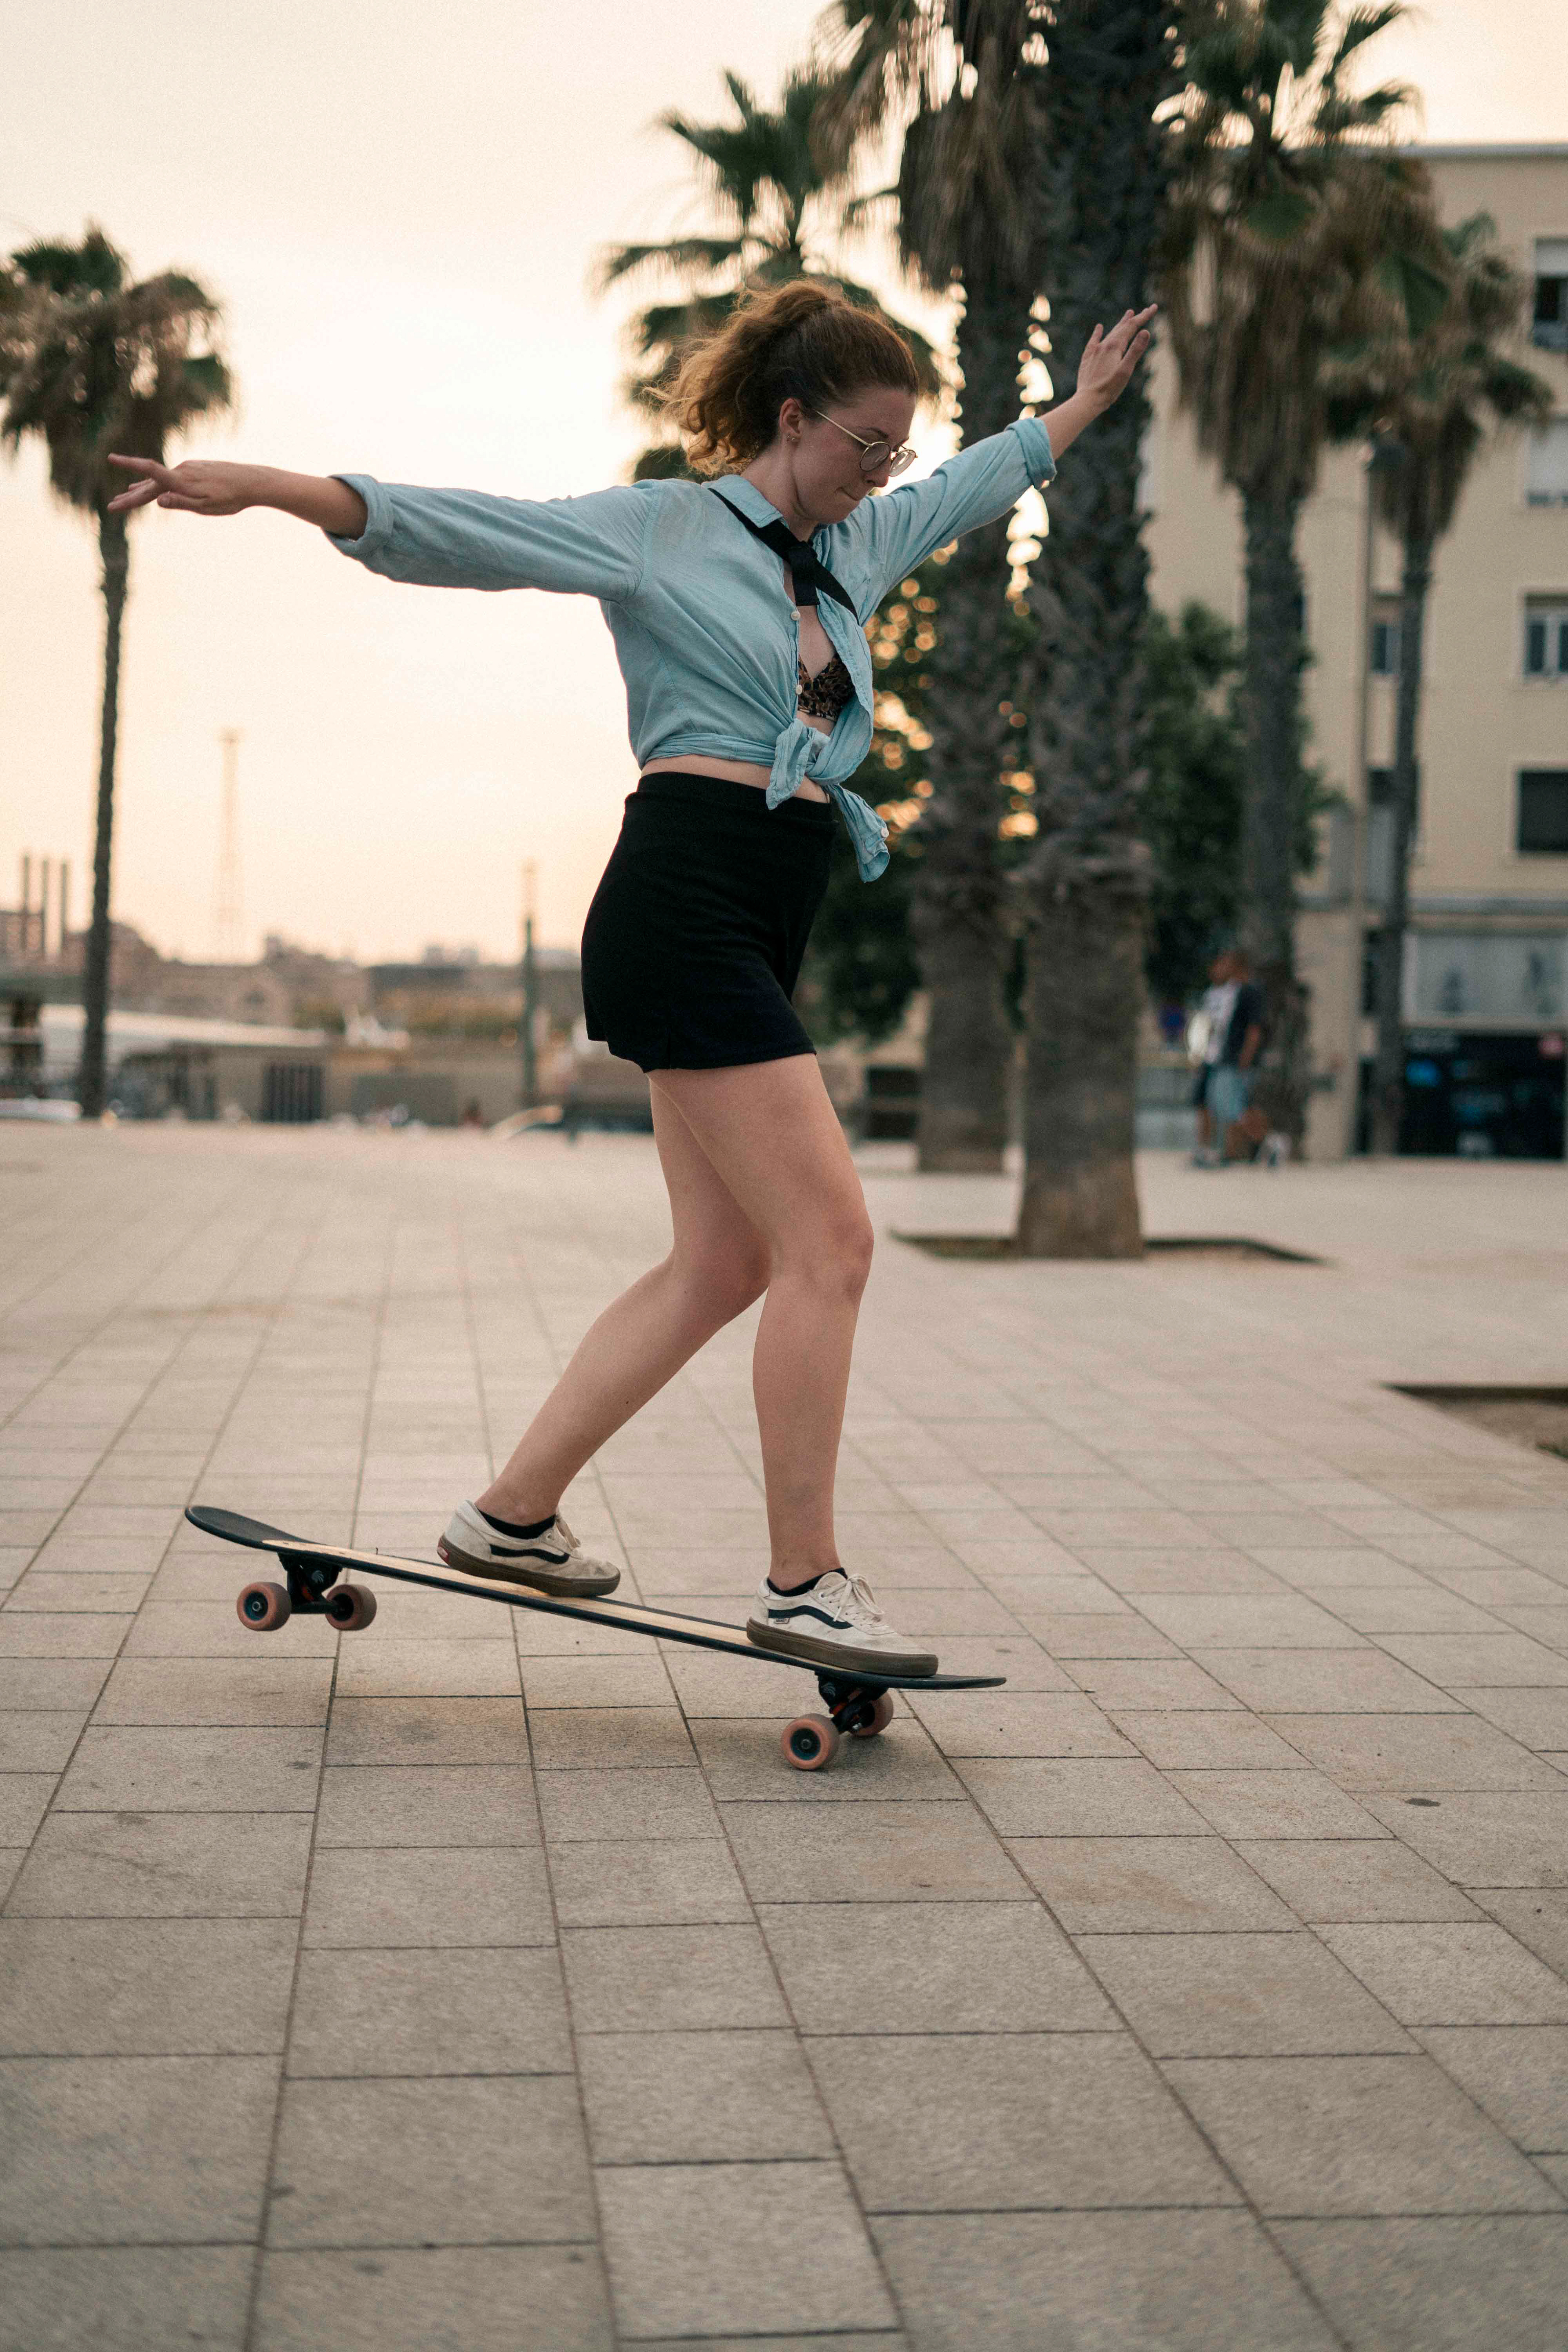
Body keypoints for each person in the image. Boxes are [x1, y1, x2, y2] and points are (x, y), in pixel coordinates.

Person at [109, 281, 1155, 1679]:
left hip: (764, 910)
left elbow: (976, 485)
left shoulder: (857, 544)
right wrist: (272, 489)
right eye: (864, 444)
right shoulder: (666, 528)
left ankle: (511, 1515)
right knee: (832, 1245)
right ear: (793, 417)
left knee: (725, 1262)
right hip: (683, 900)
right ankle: (805, 1584)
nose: (882, 471)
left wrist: (1079, 406)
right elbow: (473, 531)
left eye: (895, 451)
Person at [1198, 948, 1265, 1165]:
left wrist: (1246, 1058)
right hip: (1226, 1057)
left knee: (1231, 1105)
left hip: (1235, 1059)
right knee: (1227, 1105)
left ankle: (1266, 1142)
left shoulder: (1250, 992)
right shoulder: (1233, 991)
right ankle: (1246, 1147)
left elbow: (1254, 1029)